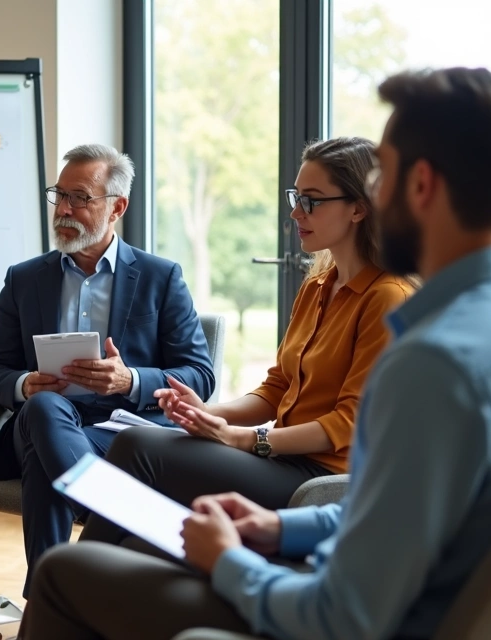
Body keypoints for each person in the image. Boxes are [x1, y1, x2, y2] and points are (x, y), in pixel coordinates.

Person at [19, 68, 491, 640]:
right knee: (148, 546)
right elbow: (395, 512)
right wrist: (281, 527)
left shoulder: (435, 362)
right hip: (403, 591)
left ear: (421, 186)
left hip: (358, 618)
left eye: (385, 179)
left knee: (64, 573)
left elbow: (343, 615)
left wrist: (230, 561)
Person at [78, 137, 414, 549]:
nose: (294, 212)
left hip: (322, 479)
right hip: (281, 458)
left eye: (311, 201)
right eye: (296, 197)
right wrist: (204, 413)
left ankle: (64, 588)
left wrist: (244, 439)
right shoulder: (318, 286)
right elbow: (276, 389)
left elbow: (348, 424)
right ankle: (102, 578)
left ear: (359, 208)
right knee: (142, 514)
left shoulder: (387, 298)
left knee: (137, 448)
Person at [0, 143, 215, 596]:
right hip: (40, 421)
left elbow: (199, 375)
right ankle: (124, 518)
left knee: (47, 463)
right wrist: (25, 384)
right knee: (45, 410)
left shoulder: (160, 277)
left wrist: (131, 380)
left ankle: (47, 601)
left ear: (116, 207)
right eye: (59, 195)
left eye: (80, 198)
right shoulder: (24, 279)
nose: (64, 209)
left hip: (126, 433)